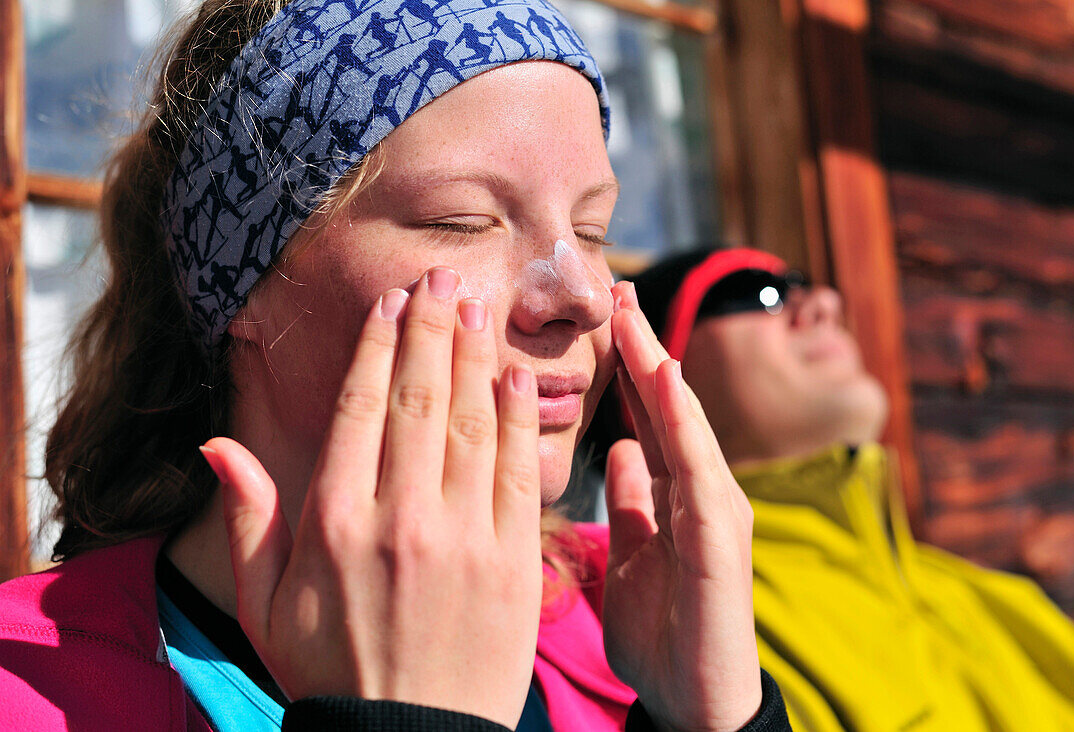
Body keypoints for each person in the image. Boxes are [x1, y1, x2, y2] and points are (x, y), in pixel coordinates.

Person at [0, 2, 790, 731]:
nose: (584, 295)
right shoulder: (34, 688)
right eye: (462, 221)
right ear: (240, 283)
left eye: (593, 229)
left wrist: (711, 721)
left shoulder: (615, 617)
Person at [602, 247, 1074, 731]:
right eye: (761, 292)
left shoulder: (1003, 601)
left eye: (802, 285)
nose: (825, 303)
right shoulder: (681, 620)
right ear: (642, 386)